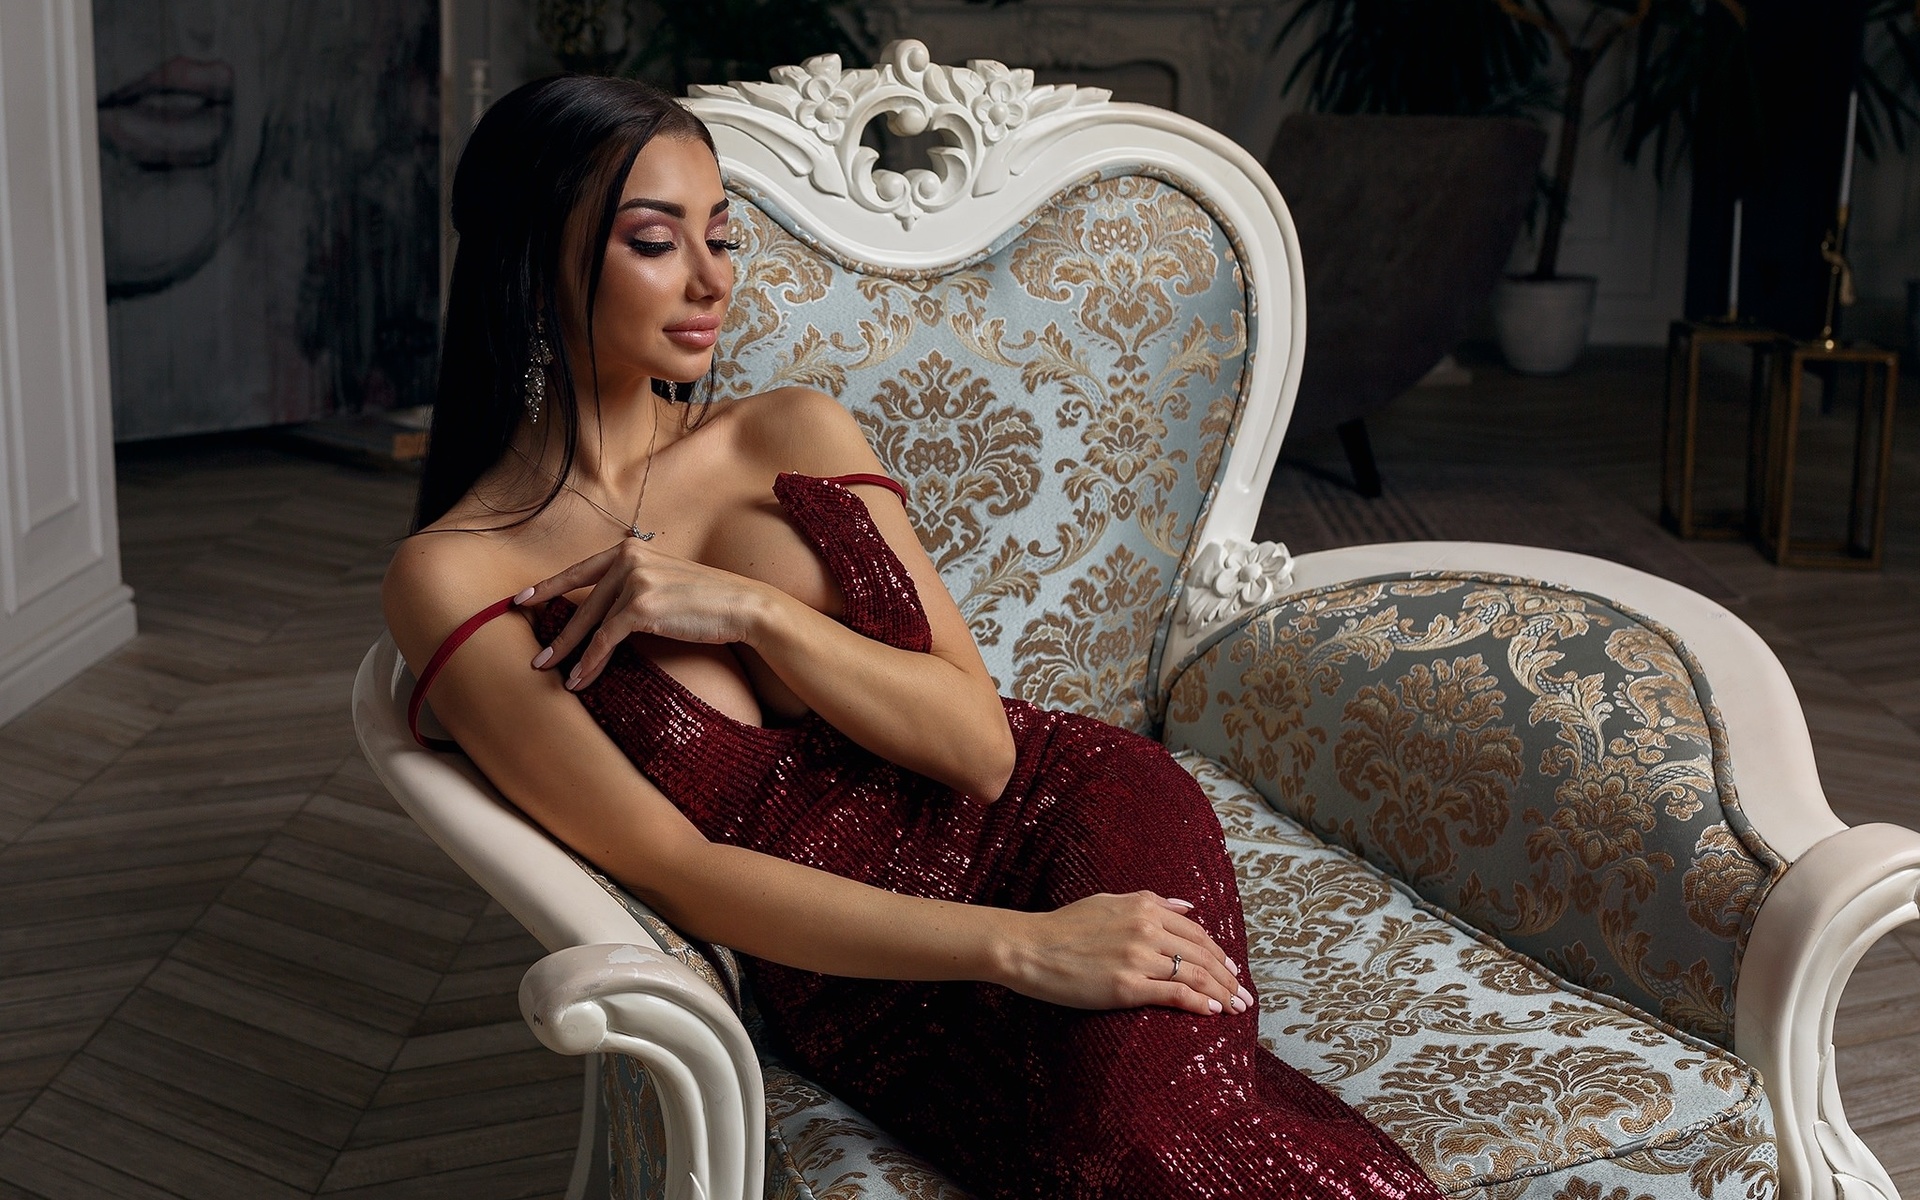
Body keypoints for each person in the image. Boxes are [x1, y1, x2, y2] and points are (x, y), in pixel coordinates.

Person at [384, 75, 1440, 1200]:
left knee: (1150, 1143)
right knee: (1111, 1157)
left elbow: (979, 749)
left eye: (722, 236)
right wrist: (1019, 949)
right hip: (866, 981)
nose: (712, 280)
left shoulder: (788, 431)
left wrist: (749, 608)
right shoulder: (457, 574)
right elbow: (681, 874)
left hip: (1064, 817)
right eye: (656, 241)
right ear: (533, 258)